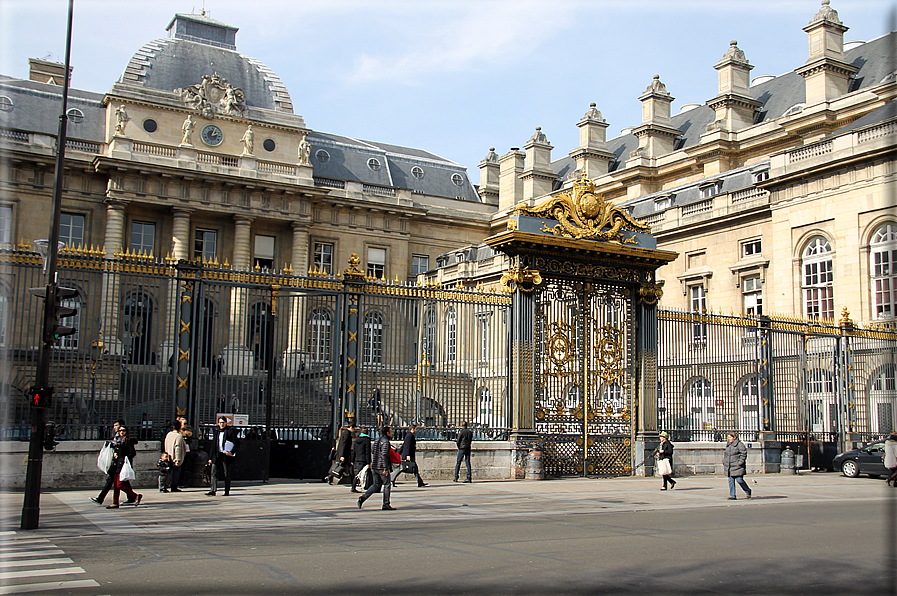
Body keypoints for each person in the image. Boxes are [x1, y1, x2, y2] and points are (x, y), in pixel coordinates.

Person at [358, 426, 396, 510]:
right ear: (387, 433)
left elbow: (373, 451)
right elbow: (384, 455)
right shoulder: (385, 442)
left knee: (376, 484)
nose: (392, 433)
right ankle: (386, 504)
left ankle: (363, 497)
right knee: (387, 484)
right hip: (381, 466)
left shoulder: (377, 440)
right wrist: (385, 468)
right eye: (391, 432)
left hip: (375, 465)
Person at [105, 425, 142, 509]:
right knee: (115, 485)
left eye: (123, 430)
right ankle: (115, 502)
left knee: (119, 485)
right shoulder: (116, 441)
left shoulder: (127, 441)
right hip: (116, 464)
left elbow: (132, 453)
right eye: (120, 430)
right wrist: (115, 453)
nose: (122, 432)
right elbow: (115, 449)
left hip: (122, 465)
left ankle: (135, 496)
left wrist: (124, 458)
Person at [90, 419, 126, 505]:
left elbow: (125, 449)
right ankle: (132, 497)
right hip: (116, 462)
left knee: (112, 481)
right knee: (121, 482)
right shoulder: (117, 436)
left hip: (119, 462)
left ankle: (101, 498)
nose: (114, 427)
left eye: (116, 425)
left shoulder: (124, 437)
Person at [207, 416, 240, 496]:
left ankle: (226, 491)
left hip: (225, 455)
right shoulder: (216, 431)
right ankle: (213, 490)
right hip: (217, 454)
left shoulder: (229, 432)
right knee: (213, 472)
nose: (221, 424)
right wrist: (210, 457)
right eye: (220, 423)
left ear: (226, 423)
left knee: (226, 474)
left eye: (223, 423)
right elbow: (213, 445)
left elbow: (236, 443)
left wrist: (231, 452)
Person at [723, 432, 752, 500]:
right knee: (731, 481)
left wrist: (740, 462)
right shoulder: (728, 445)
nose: (729, 439)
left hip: (737, 466)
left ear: (734, 437)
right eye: (728, 437)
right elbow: (726, 454)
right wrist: (724, 462)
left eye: (730, 437)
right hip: (729, 466)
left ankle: (747, 490)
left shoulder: (739, 444)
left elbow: (743, 453)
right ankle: (732, 495)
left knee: (739, 480)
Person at [164, 420, 186, 493]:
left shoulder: (169, 434)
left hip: (168, 456)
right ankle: (174, 486)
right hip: (174, 457)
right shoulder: (178, 436)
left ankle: (165, 486)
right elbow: (178, 448)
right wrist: (178, 459)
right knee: (176, 472)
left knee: (168, 473)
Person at [351, 426, 372, 493]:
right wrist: (369, 462)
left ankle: (354, 486)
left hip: (357, 458)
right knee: (359, 473)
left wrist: (352, 460)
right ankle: (353, 486)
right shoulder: (367, 440)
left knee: (358, 472)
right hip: (364, 459)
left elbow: (354, 450)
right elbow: (367, 452)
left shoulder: (357, 440)